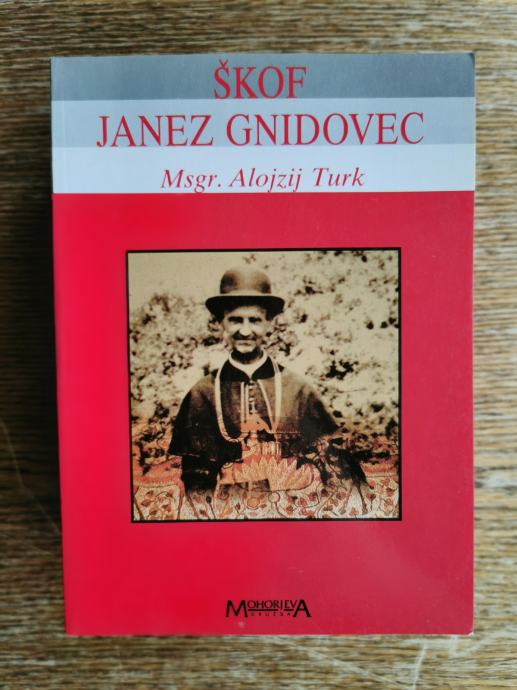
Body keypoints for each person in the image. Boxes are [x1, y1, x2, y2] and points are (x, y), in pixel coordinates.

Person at [169, 266, 338, 493]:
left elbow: (335, 466)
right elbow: (195, 480)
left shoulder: (298, 390)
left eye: (255, 320)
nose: (246, 331)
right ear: (221, 323)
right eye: (236, 320)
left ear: (269, 323)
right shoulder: (202, 394)